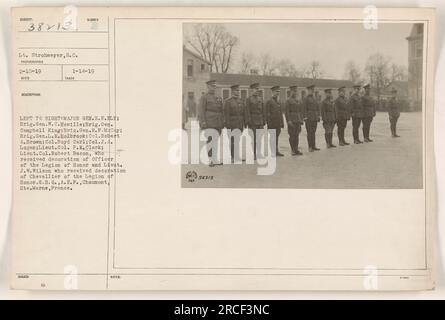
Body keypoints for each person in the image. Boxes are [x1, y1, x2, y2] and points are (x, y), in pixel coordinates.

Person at [198, 80, 224, 167]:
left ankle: (215, 158)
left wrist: (222, 121)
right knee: (210, 141)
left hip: (217, 122)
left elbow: (221, 110)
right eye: (212, 86)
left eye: (214, 86)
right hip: (209, 122)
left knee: (216, 141)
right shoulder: (204, 97)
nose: (214, 88)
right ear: (208, 87)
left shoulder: (218, 97)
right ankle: (210, 160)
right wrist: (203, 122)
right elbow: (201, 111)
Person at [224, 84, 245, 162]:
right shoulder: (228, 101)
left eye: (238, 90)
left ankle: (237, 156)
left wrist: (243, 123)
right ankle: (233, 157)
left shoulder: (241, 101)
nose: (238, 92)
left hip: (239, 124)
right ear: (232, 91)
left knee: (237, 140)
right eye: (236, 90)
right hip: (232, 124)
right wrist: (227, 124)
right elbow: (226, 114)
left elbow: (243, 113)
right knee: (232, 141)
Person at [245, 83, 265, 160]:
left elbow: (263, 110)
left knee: (259, 138)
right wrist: (249, 121)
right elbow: (247, 111)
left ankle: (259, 153)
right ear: (252, 90)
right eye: (255, 89)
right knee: (254, 139)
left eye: (258, 89)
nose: (257, 91)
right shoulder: (249, 99)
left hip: (260, 120)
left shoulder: (260, 99)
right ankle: (254, 154)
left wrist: (263, 120)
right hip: (253, 121)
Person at [284, 86, 304, 156]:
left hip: (298, 120)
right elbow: (287, 112)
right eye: (293, 91)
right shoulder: (288, 101)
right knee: (292, 135)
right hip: (292, 121)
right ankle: (292, 150)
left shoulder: (298, 100)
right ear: (291, 92)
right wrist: (288, 120)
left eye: (296, 91)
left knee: (297, 135)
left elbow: (300, 111)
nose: (295, 93)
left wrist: (301, 119)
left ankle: (296, 149)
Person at [265, 86, 284, 157]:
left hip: (278, 123)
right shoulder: (269, 102)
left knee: (276, 137)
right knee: (272, 138)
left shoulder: (278, 102)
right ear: (272, 92)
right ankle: (272, 152)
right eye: (276, 91)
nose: (277, 93)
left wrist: (282, 123)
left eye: (278, 92)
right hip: (272, 123)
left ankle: (276, 151)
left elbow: (280, 113)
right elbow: (267, 113)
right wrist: (269, 123)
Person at [303, 84, 321, 152]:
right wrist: (305, 117)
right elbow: (304, 109)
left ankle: (313, 146)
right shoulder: (306, 99)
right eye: (311, 90)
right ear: (308, 90)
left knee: (313, 132)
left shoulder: (314, 98)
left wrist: (318, 116)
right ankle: (310, 146)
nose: (312, 91)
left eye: (313, 90)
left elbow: (317, 108)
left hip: (314, 118)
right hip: (309, 118)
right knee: (309, 132)